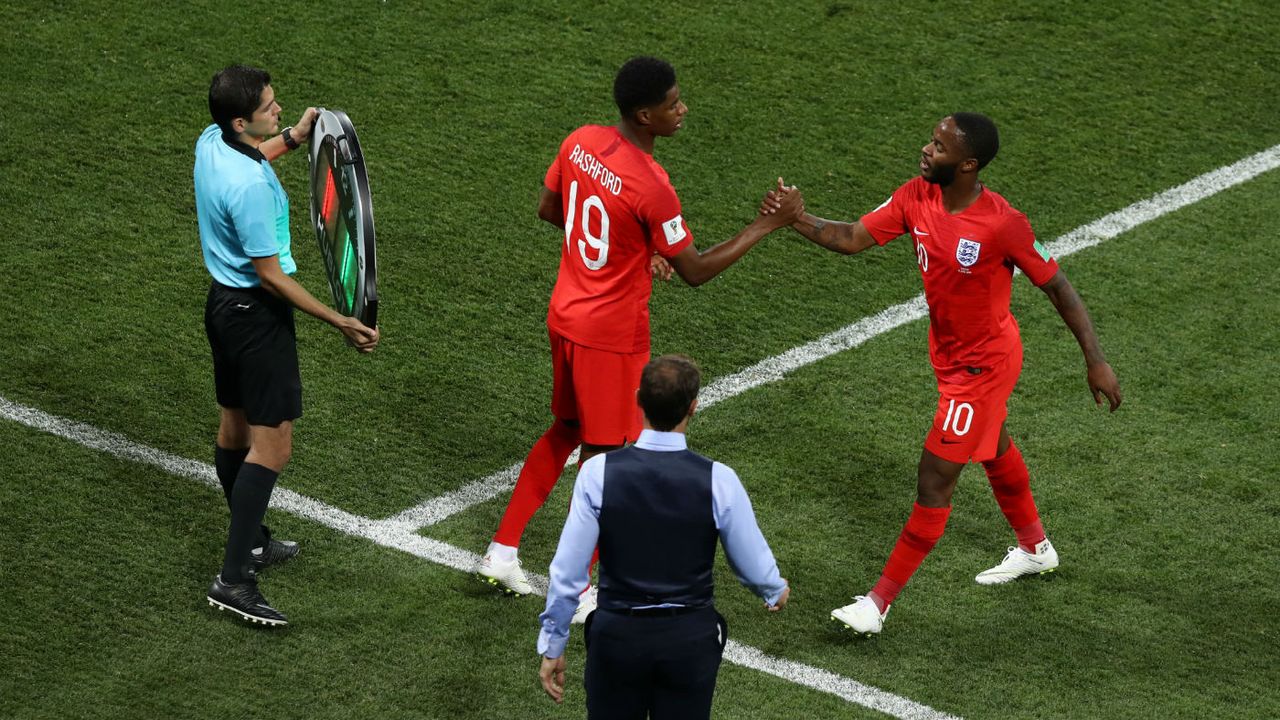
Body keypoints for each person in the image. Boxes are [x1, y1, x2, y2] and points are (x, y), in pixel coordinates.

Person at [765, 113, 1122, 634]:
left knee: (935, 478)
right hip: (953, 358)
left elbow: (1058, 287)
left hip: (984, 366)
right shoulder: (916, 196)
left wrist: (1095, 360)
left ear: (968, 165)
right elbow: (850, 238)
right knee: (994, 444)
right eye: (931, 140)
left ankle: (877, 604)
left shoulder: (1003, 223)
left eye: (939, 146)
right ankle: (1035, 547)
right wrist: (793, 219)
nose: (927, 150)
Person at [478, 56, 802, 616]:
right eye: (674, 104)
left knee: (566, 431)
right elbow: (696, 270)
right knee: (608, 462)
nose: (683, 110)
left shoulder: (580, 140)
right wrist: (766, 225)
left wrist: (636, 249)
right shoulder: (652, 186)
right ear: (645, 114)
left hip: (566, 314)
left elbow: (550, 209)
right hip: (611, 336)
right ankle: (580, 590)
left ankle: (503, 551)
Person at [196, 65, 379, 626]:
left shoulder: (211, 143)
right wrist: (339, 320)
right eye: (270, 109)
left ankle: (251, 542)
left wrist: (296, 137)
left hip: (222, 307)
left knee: (234, 426)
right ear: (240, 119)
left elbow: (256, 155)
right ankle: (234, 579)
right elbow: (272, 275)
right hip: (256, 317)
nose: (278, 111)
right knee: (272, 446)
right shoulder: (250, 190)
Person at [537, 355, 790, 718]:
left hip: (618, 637)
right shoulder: (719, 479)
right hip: (688, 640)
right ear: (693, 407)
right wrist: (773, 589)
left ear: (638, 399)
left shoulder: (596, 474)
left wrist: (553, 643)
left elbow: (567, 573)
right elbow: (750, 564)